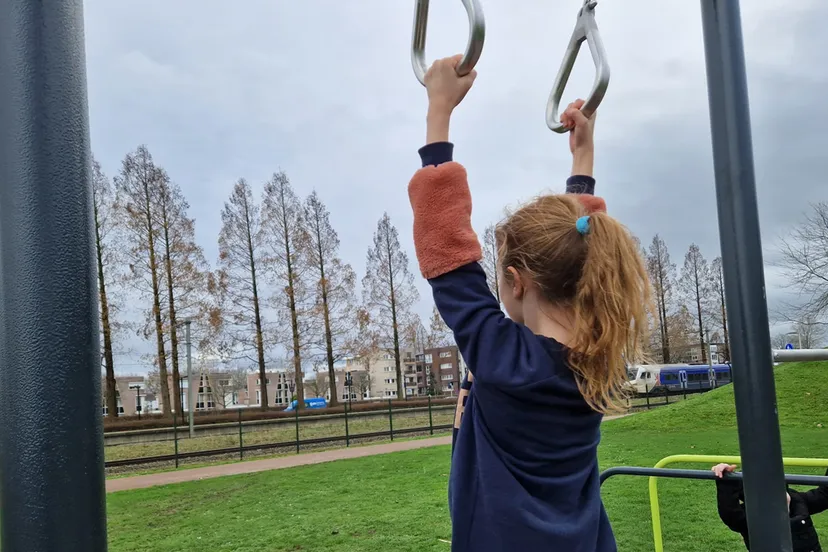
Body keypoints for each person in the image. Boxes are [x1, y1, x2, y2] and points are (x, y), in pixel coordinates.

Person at [407, 54, 652, 551]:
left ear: (516, 282)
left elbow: (447, 250)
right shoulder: (598, 361)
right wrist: (582, 164)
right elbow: (582, 247)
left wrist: (439, 111)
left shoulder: (506, 360)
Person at [712, 463, 828, 551]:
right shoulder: (751, 516)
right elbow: (729, 512)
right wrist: (726, 479)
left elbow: (824, 495)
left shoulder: (798, 500)